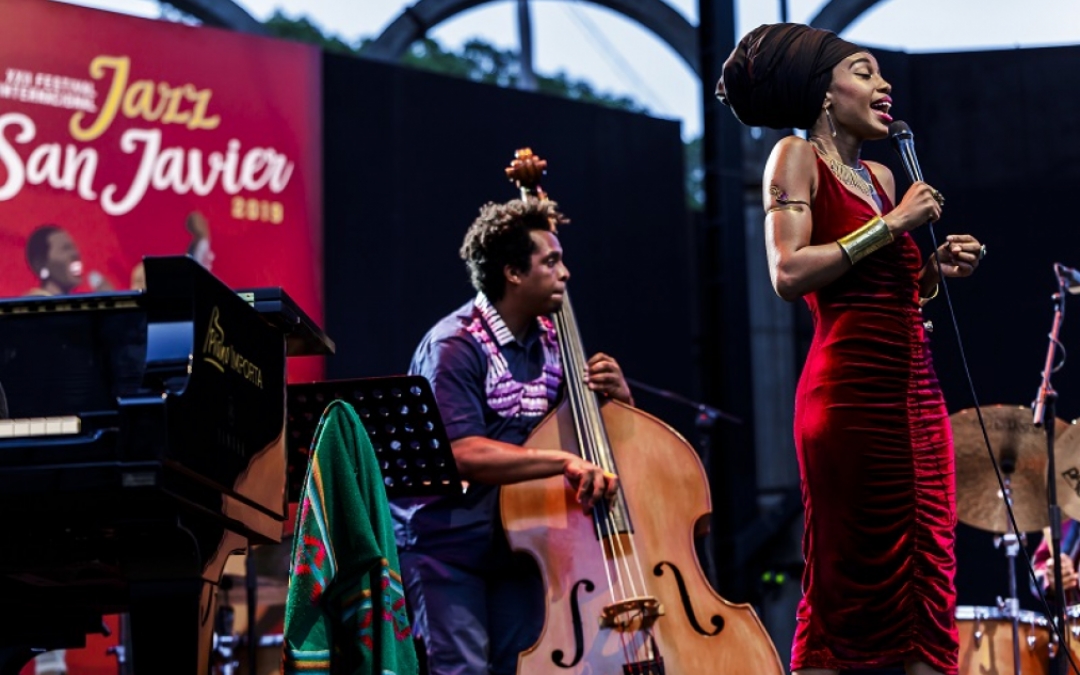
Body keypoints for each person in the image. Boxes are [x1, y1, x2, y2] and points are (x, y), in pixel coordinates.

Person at [718, 23, 985, 675]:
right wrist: (892, 225)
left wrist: (931, 272)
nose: (883, 85)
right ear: (823, 93)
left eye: (881, 74)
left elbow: (882, 289)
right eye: (864, 72)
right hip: (848, 401)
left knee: (930, 579)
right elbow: (788, 272)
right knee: (843, 585)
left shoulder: (883, 176)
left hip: (917, 394)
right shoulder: (794, 156)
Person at [390, 196, 632, 675]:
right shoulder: (454, 346)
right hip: (448, 547)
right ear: (513, 273)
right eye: (551, 261)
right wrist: (562, 462)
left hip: (519, 546)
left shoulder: (552, 343)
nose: (565, 273)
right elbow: (463, 452)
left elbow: (591, 442)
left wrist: (619, 399)